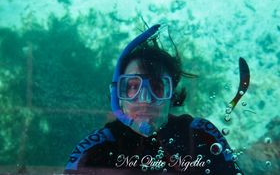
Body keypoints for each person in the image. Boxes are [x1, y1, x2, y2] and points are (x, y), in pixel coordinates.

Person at [64, 24, 243, 174]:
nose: (144, 99)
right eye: (133, 87)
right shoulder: (96, 149)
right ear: (118, 94)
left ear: (171, 94)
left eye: (157, 87)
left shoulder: (200, 135)